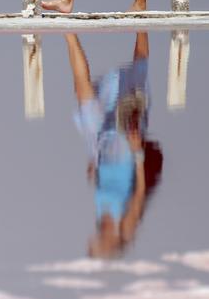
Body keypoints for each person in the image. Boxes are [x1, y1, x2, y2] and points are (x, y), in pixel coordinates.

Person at [65, 32, 164, 258]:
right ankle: (142, 24)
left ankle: (69, 35)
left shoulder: (101, 220)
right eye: (94, 247)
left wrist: (95, 169)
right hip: (123, 151)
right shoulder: (125, 230)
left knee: (83, 96)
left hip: (100, 152)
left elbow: (109, 188)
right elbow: (138, 194)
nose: (92, 241)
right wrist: (138, 153)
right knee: (137, 79)